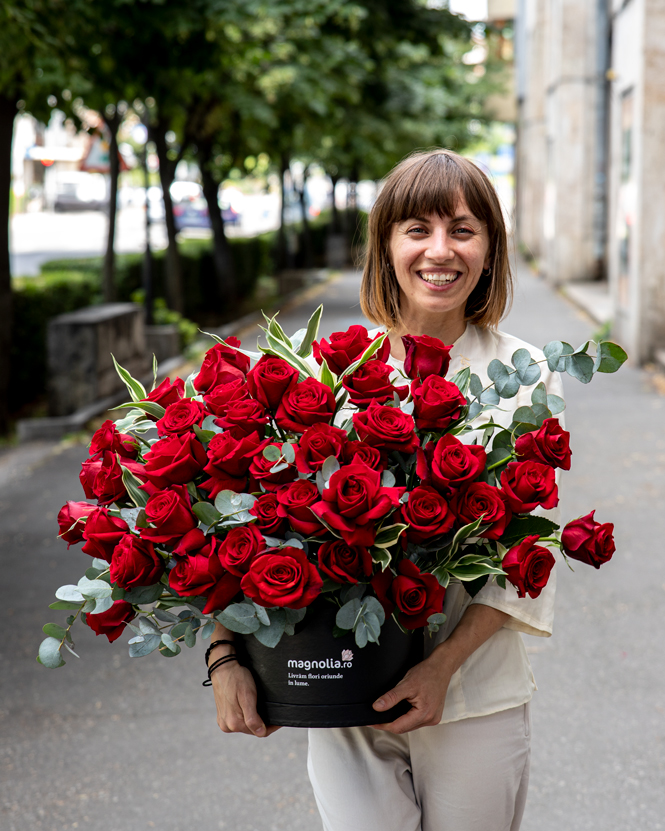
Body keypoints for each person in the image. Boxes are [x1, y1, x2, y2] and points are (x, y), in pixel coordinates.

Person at [208, 149, 563, 831]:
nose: (439, 250)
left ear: (489, 249)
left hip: (473, 694)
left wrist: (440, 669)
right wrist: (226, 652)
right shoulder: (325, 370)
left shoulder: (526, 379)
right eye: (416, 229)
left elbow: (527, 556)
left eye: (462, 229)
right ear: (385, 246)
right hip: (342, 686)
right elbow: (234, 528)